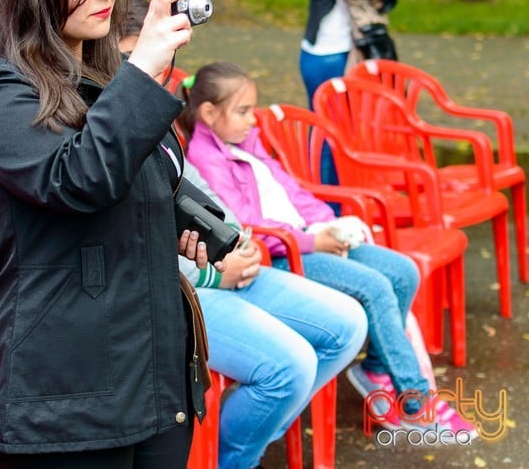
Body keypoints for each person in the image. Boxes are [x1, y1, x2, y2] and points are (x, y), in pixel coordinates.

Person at [0, 0, 203, 467]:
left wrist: (180, 223)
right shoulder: (2, 96)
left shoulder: (101, 79)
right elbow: (80, 180)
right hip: (60, 404)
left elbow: (126, 184)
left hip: (150, 386)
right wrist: (145, 69)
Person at [180, 60, 478, 436]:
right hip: (288, 254)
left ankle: (374, 370)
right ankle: (415, 403)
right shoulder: (206, 161)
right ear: (208, 113)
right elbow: (245, 223)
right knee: (374, 287)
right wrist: (312, 240)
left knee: (403, 271)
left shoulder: (247, 142)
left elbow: (291, 191)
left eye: (254, 110)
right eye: (243, 111)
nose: (253, 120)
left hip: (310, 238)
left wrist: (327, 223)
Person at [181, 164, 367, 469]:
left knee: (349, 324)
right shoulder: (107, 144)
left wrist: (239, 242)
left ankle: (243, 447)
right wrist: (213, 276)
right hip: (182, 290)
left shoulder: (165, 137)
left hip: (228, 268)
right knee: (292, 365)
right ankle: (236, 460)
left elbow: (205, 195)